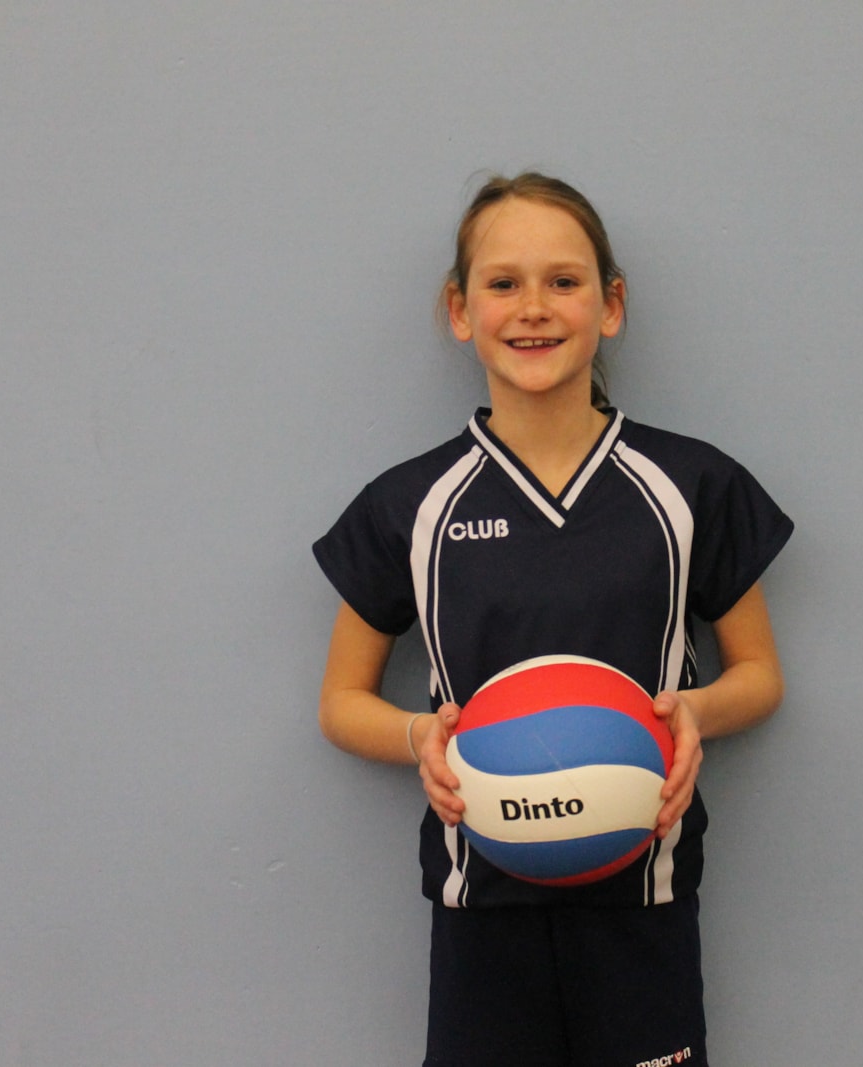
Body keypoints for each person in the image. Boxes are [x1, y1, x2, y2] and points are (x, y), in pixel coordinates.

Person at [313, 172, 792, 1067]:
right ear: (461, 311)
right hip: (481, 900)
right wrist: (420, 735)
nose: (533, 308)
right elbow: (341, 700)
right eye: (503, 283)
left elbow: (760, 675)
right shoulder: (411, 504)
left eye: (564, 281)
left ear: (610, 305)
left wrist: (692, 711)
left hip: (643, 896)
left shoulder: (690, 486)